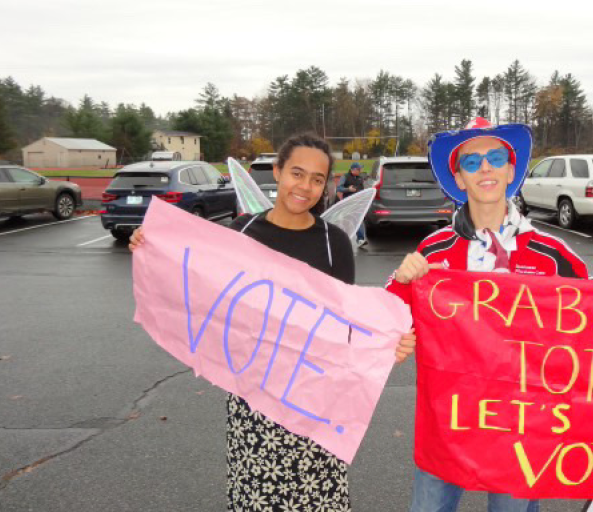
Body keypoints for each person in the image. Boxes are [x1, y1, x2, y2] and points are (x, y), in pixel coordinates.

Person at [385, 117, 593, 512]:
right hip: (447, 422)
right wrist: (403, 285)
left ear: (510, 169)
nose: (485, 168)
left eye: (495, 158)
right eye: (471, 162)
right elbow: (384, 323)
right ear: (458, 177)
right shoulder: (432, 253)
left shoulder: (550, 252)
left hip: (522, 428)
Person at [130, 132, 416, 512]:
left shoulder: (334, 242)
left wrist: (383, 349)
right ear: (278, 172)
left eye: (317, 179)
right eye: (297, 174)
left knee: (319, 499)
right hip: (255, 399)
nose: (306, 187)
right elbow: (204, 293)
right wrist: (152, 246)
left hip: (315, 400)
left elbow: (345, 323)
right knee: (256, 498)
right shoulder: (244, 232)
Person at [337, 161, 368, 247]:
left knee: (359, 219)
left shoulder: (360, 178)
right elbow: (338, 188)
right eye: (358, 169)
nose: (360, 170)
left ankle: (360, 239)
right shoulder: (345, 177)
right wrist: (348, 189)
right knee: (351, 221)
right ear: (352, 170)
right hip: (348, 202)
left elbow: (362, 189)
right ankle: (342, 240)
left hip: (358, 202)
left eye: (360, 169)